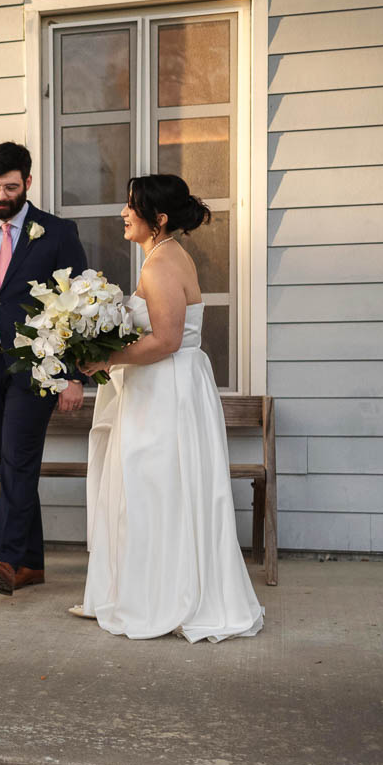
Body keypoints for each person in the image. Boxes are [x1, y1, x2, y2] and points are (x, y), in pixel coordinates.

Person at [75, 175, 265, 642]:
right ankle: (150, 590)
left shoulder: (160, 266)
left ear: (157, 219)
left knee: (154, 489)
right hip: (168, 387)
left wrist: (105, 358)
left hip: (165, 391)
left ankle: (160, 598)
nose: (123, 213)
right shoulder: (166, 255)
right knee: (161, 489)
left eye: (131, 207)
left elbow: (166, 340)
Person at [0, 141, 89, 596]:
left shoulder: (58, 232)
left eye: (9, 187)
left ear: (28, 182)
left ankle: (5, 559)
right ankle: (32, 564)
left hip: (38, 370)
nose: (0, 196)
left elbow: (78, 306)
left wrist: (74, 375)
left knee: (19, 461)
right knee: (11, 466)